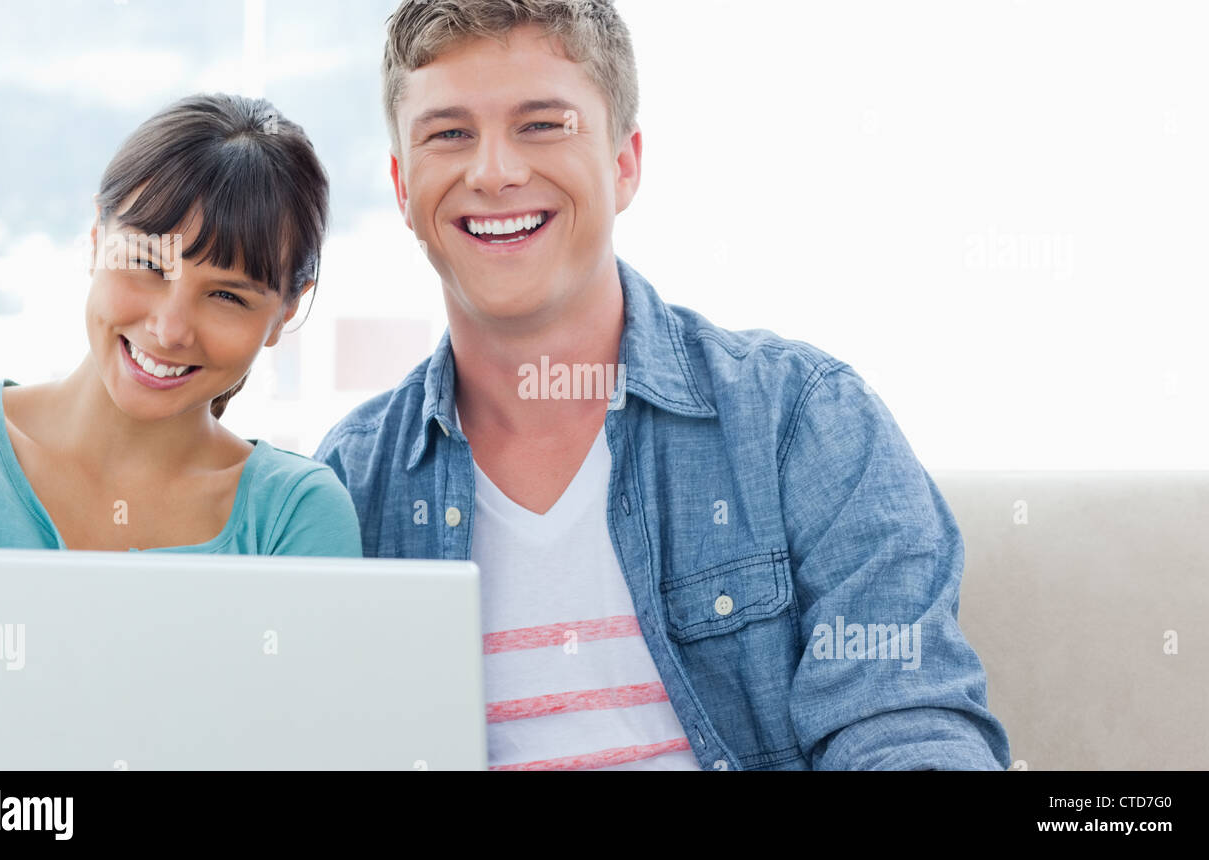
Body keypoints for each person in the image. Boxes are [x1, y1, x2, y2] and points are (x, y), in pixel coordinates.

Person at [315, 0, 1009, 769]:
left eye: (542, 124)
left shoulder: (803, 422)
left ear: (624, 163)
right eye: (449, 134)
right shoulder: (350, 485)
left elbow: (904, 728)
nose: (495, 171)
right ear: (402, 185)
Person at [0, 93, 361, 557]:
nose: (171, 329)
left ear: (285, 314)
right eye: (147, 264)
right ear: (96, 240)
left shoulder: (295, 515)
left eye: (227, 296)